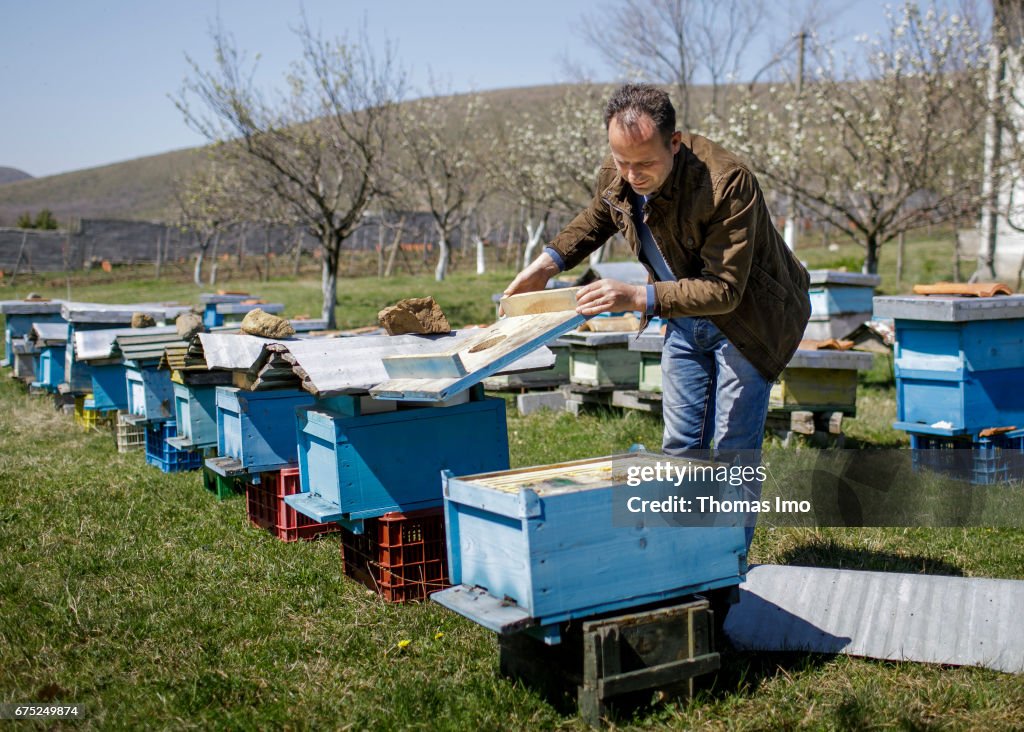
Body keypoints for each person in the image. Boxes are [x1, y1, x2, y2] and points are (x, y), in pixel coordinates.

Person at [503, 83, 811, 550]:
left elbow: (724, 289)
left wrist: (634, 295)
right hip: (682, 319)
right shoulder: (621, 169)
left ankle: (730, 566)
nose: (631, 175)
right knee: (680, 448)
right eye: (622, 162)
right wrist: (546, 265)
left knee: (733, 452)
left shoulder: (728, 182)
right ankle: (684, 557)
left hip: (748, 323)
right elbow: (598, 215)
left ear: (674, 141)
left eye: (644, 164)